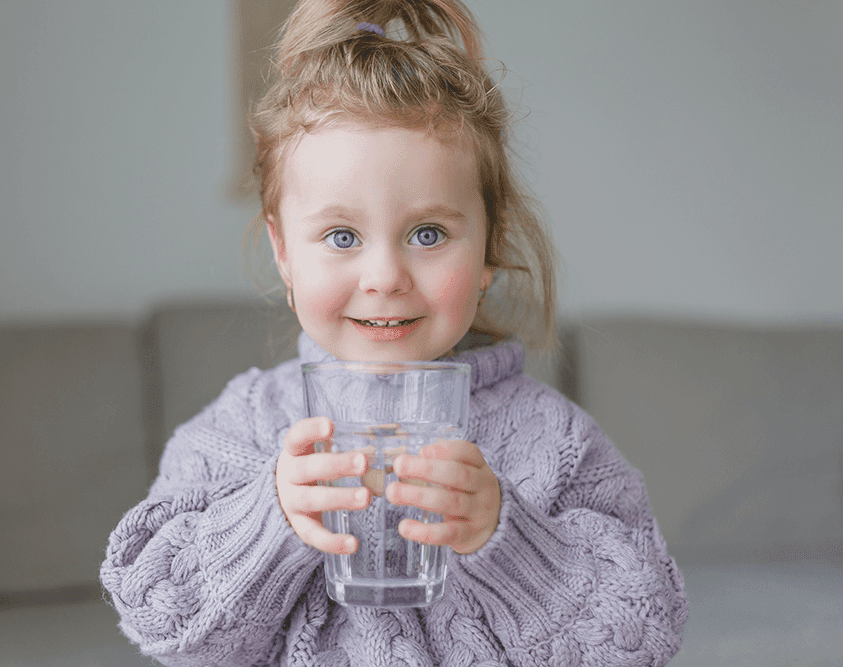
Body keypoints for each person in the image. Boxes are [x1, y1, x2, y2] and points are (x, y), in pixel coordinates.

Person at [100, 1, 687, 665]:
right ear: (284, 251)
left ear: (490, 248)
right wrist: (270, 520)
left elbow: (644, 636)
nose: (384, 275)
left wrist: (509, 538)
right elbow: (157, 613)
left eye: (428, 233)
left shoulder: (557, 444)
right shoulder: (242, 429)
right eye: (342, 235)